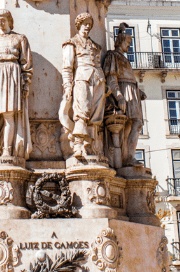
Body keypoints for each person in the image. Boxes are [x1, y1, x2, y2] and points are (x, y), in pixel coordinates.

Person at [0, 9, 33, 159]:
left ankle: (7, 150)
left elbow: (26, 64)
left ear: (9, 20)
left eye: (3, 20)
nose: (0, 23)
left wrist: (25, 83)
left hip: (12, 74)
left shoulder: (20, 38)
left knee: (9, 115)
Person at [59, 13, 107, 158]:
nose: (87, 26)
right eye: (84, 23)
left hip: (98, 80)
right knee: (81, 112)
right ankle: (78, 145)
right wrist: (67, 86)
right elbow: (67, 67)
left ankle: (90, 145)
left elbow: (98, 64)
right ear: (78, 24)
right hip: (81, 79)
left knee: (95, 115)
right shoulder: (72, 43)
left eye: (89, 24)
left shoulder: (95, 46)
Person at [103, 23, 147, 166]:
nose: (129, 46)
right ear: (120, 41)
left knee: (134, 124)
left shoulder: (124, 58)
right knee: (131, 124)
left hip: (131, 92)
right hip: (124, 92)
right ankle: (126, 158)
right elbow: (111, 77)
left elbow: (126, 77)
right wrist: (119, 96)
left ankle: (128, 157)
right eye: (127, 42)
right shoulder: (112, 56)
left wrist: (138, 92)